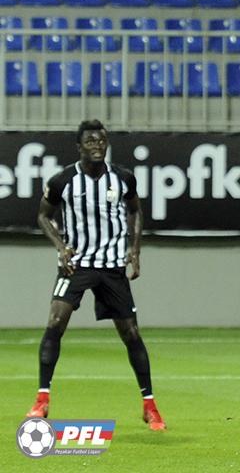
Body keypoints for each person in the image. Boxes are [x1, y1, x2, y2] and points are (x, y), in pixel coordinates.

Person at [26, 120, 166, 431]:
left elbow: (135, 210)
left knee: (131, 334)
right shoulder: (63, 181)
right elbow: (43, 215)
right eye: (90, 141)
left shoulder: (123, 178)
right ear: (79, 147)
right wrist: (61, 246)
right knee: (55, 321)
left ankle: (150, 406)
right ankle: (41, 399)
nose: (97, 146)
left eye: (101, 141)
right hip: (77, 264)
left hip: (112, 266)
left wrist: (135, 250)